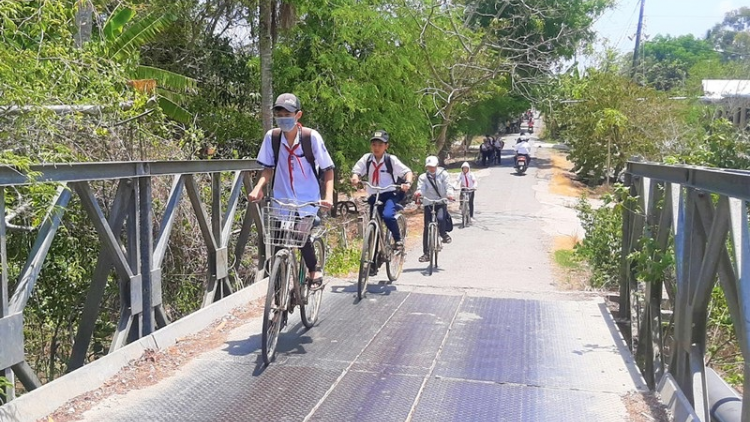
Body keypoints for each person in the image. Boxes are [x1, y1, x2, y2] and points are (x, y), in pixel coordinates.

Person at [248, 93, 335, 286]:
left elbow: (328, 170)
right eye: (279, 113)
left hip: (307, 202)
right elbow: (267, 168)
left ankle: (313, 270)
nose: (283, 117)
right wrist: (258, 188)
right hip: (282, 200)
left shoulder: (310, 138)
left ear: (298, 115)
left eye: (287, 113)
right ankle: (279, 299)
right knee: (278, 244)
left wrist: (328, 197)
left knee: (299, 236)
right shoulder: (273, 137)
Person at [350, 130, 413, 275]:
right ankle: (373, 261)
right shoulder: (367, 159)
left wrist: (407, 182)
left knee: (387, 216)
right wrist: (355, 177)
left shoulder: (391, 160)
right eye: (373, 144)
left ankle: (398, 240)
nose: (376, 147)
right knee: (373, 229)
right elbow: (357, 171)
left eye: (380, 144)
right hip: (373, 195)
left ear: (386, 146)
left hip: (389, 194)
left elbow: (407, 172)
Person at [415, 156, 455, 263]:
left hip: (441, 201)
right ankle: (426, 253)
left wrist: (449, 195)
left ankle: (443, 234)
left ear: (437, 166)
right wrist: (419, 193)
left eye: (433, 167)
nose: (431, 169)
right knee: (427, 227)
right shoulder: (423, 177)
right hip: (428, 202)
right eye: (429, 167)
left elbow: (448, 186)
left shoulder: (443, 175)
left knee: (441, 218)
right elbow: (421, 188)